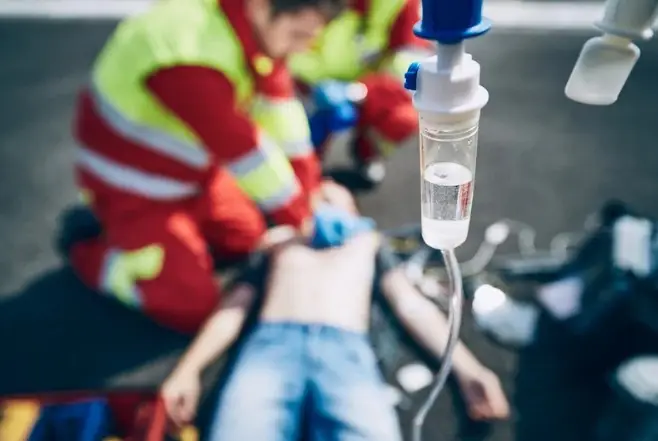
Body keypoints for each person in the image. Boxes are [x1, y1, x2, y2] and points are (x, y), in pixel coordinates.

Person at [65, 0, 352, 337]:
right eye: (298, 35)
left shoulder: (258, 33)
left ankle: (172, 242)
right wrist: (303, 217)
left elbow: (282, 116)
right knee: (191, 305)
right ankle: (92, 249)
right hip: (133, 188)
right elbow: (245, 152)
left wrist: (310, 188)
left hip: (193, 175)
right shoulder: (186, 54)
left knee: (246, 237)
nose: (301, 48)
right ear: (261, 6)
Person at [161, 228, 510, 440]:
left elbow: (411, 306)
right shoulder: (280, 241)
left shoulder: (368, 242)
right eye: (320, 189)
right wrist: (187, 370)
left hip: (345, 351)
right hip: (271, 347)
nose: (328, 193)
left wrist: (469, 369)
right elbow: (233, 309)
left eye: (337, 191)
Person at [288, 0, 431, 183]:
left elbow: (410, 74)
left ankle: (366, 153)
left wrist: (358, 91)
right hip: (300, 85)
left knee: (404, 117)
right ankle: (305, 169)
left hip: (362, 90)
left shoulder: (401, 5)